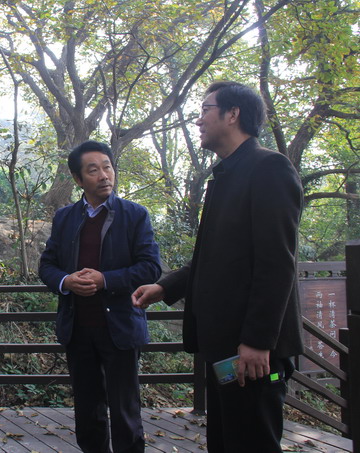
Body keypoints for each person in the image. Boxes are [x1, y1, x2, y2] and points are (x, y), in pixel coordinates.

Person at [132, 81, 303, 453]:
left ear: (232, 114)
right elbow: (213, 256)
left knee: (252, 443)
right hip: (224, 344)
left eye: (205, 110)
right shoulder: (225, 176)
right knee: (225, 442)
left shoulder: (269, 168)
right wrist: (165, 287)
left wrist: (258, 341)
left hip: (252, 350)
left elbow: (276, 263)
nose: (198, 120)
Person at [39, 140, 161, 453]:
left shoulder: (135, 215)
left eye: (107, 167)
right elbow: (47, 265)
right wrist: (66, 281)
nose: (104, 175)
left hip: (120, 326)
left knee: (125, 409)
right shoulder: (65, 217)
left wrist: (105, 279)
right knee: (87, 409)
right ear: (78, 179)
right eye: (93, 170)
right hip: (78, 327)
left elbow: (150, 267)